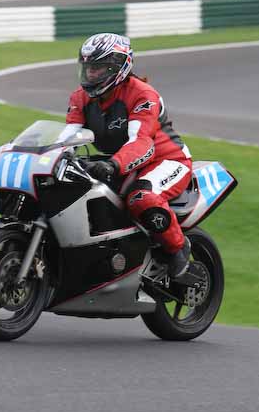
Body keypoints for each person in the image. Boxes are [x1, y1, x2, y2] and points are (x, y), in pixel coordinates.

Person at [63, 32, 193, 280]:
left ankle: (178, 248)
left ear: (118, 67)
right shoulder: (80, 97)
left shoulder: (143, 95)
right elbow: (67, 137)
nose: (91, 73)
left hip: (165, 160)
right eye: (88, 67)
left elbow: (141, 142)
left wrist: (113, 164)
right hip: (123, 161)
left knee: (140, 198)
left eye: (98, 68)